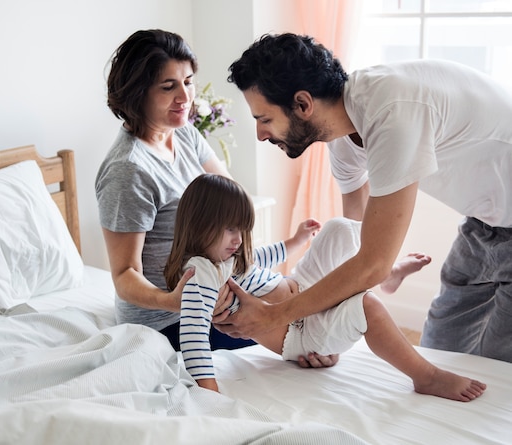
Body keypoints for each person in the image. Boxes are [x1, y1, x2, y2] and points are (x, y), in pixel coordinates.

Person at [217, 32, 512, 363]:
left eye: (264, 119)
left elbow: (373, 264)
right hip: (483, 223)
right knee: (438, 347)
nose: (260, 135)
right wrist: (328, 335)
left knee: (499, 367)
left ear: (303, 104)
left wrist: (276, 315)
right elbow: (354, 245)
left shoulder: (392, 113)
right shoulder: (344, 134)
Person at [96, 29, 324, 359]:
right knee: (306, 331)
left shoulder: (184, 133)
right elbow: (124, 276)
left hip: (214, 285)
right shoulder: (127, 171)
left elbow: (233, 197)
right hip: (169, 318)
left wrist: (246, 270)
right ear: (137, 92)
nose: (185, 97)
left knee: (305, 299)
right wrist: (176, 300)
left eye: (188, 82)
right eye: (168, 86)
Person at [165, 174, 486, 401]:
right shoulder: (202, 274)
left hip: (299, 287)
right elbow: (192, 334)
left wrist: (296, 241)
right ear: (201, 226)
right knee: (368, 306)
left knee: (337, 229)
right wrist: (208, 390)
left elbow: (260, 256)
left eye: (242, 229)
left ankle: (383, 272)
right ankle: (425, 376)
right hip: (299, 330)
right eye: (230, 229)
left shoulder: (229, 254)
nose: (238, 239)